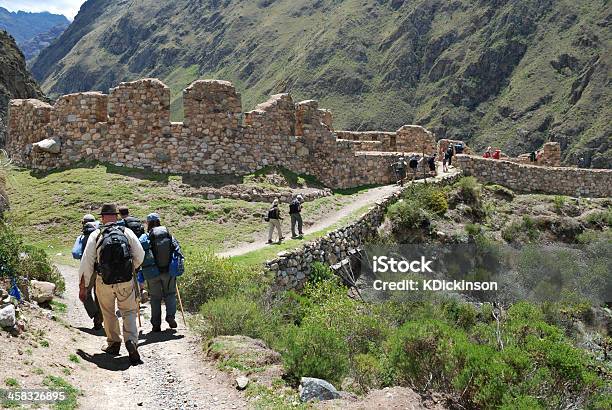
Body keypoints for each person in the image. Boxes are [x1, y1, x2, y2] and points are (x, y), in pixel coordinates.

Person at [78, 203, 145, 365]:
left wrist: (84, 286)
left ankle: (114, 343)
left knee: (108, 312)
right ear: (116, 216)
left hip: (104, 281)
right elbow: (140, 255)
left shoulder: (96, 235)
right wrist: (131, 269)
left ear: (102, 217)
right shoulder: (126, 232)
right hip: (126, 280)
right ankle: (131, 341)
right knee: (128, 311)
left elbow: (86, 263)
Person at [139, 213, 179, 332]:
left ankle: (156, 324)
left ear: (148, 223)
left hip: (152, 273)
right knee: (170, 294)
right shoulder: (168, 234)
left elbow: (139, 253)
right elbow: (176, 250)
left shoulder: (144, 237)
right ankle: (170, 317)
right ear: (159, 222)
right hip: (168, 271)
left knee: (155, 298)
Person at [71, 214, 102, 331]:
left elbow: (75, 253)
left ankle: (95, 315)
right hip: (101, 269)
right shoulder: (100, 235)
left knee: (85, 294)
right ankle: (101, 317)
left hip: (87, 270)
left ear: (83, 223)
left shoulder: (81, 237)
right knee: (99, 294)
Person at [117, 206, 147, 301]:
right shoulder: (137, 221)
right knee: (139, 269)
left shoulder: (122, 223)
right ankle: (142, 289)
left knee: (130, 272)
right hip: (140, 248)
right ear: (128, 212)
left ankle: (135, 294)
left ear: (120, 214)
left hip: (128, 250)